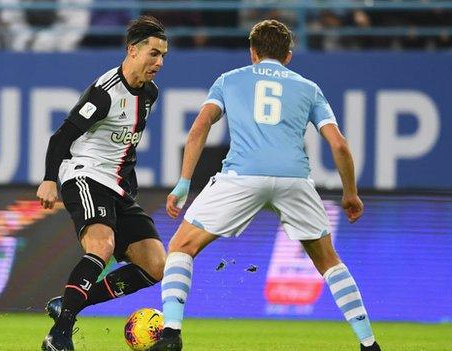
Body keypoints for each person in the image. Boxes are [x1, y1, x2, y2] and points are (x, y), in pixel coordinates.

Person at [150, 19, 381, 351]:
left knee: (182, 246)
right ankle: (369, 343)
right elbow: (340, 145)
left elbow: (201, 125)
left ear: (252, 53)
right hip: (294, 179)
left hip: (243, 175)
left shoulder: (229, 80)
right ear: (288, 56)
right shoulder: (308, 88)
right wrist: (350, 193)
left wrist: (184, 183)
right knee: (329, 261)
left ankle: (170, 333)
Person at [36, 15, 168, 351]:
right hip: (84, 174)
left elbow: (128, 146)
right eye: (153, 53)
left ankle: (69, 304)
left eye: (163, 55)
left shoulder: (150, 95)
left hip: (117, 187)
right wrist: (50, 179)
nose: (159, 62)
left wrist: (130, 189)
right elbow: (61, 137)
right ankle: (60, 334)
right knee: (102, 246)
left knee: (156, 266)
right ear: (132, 50)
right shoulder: (106, 91)